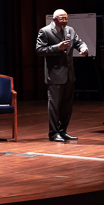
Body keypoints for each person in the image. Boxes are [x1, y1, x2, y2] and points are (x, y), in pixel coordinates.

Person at [35, 9, 89, 142]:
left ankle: (63, 130)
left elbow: (78, 42)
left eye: (66, 18)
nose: (65, 20)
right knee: (54, 106)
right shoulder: (45, 31)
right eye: (62, 18)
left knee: (67, 106)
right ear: (54, 19)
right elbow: (39, 50)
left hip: (69, 74)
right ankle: (53, 133)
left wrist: (83, 48)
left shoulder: (70, 30)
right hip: (54, 75)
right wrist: (57, 47)